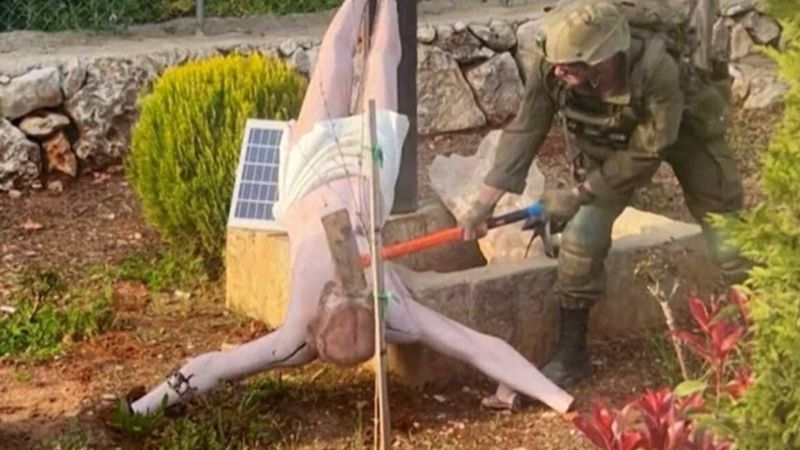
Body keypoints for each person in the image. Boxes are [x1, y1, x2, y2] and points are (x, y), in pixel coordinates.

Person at [129, 0, 575, 416]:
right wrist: (559, 400)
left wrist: (143, 407)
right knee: (377, 59)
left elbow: (212, 367)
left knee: (339, 57)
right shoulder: (395, 316)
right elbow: (479, 346)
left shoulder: (325, 328)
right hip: (365, 168)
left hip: (311, 171)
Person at [460, 0, 749, 389]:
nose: (559, 72)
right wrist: (483, 204)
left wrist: (578, 192)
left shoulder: (656, 69)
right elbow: (526, 129)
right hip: (611, 146)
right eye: (557, 64)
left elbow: (650, 149)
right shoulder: (553, 65)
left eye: (571, 66)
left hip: (683, 133)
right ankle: (572, 353)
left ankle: (759, 327)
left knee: (725, 229)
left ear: (604, 59)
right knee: (581, 238)